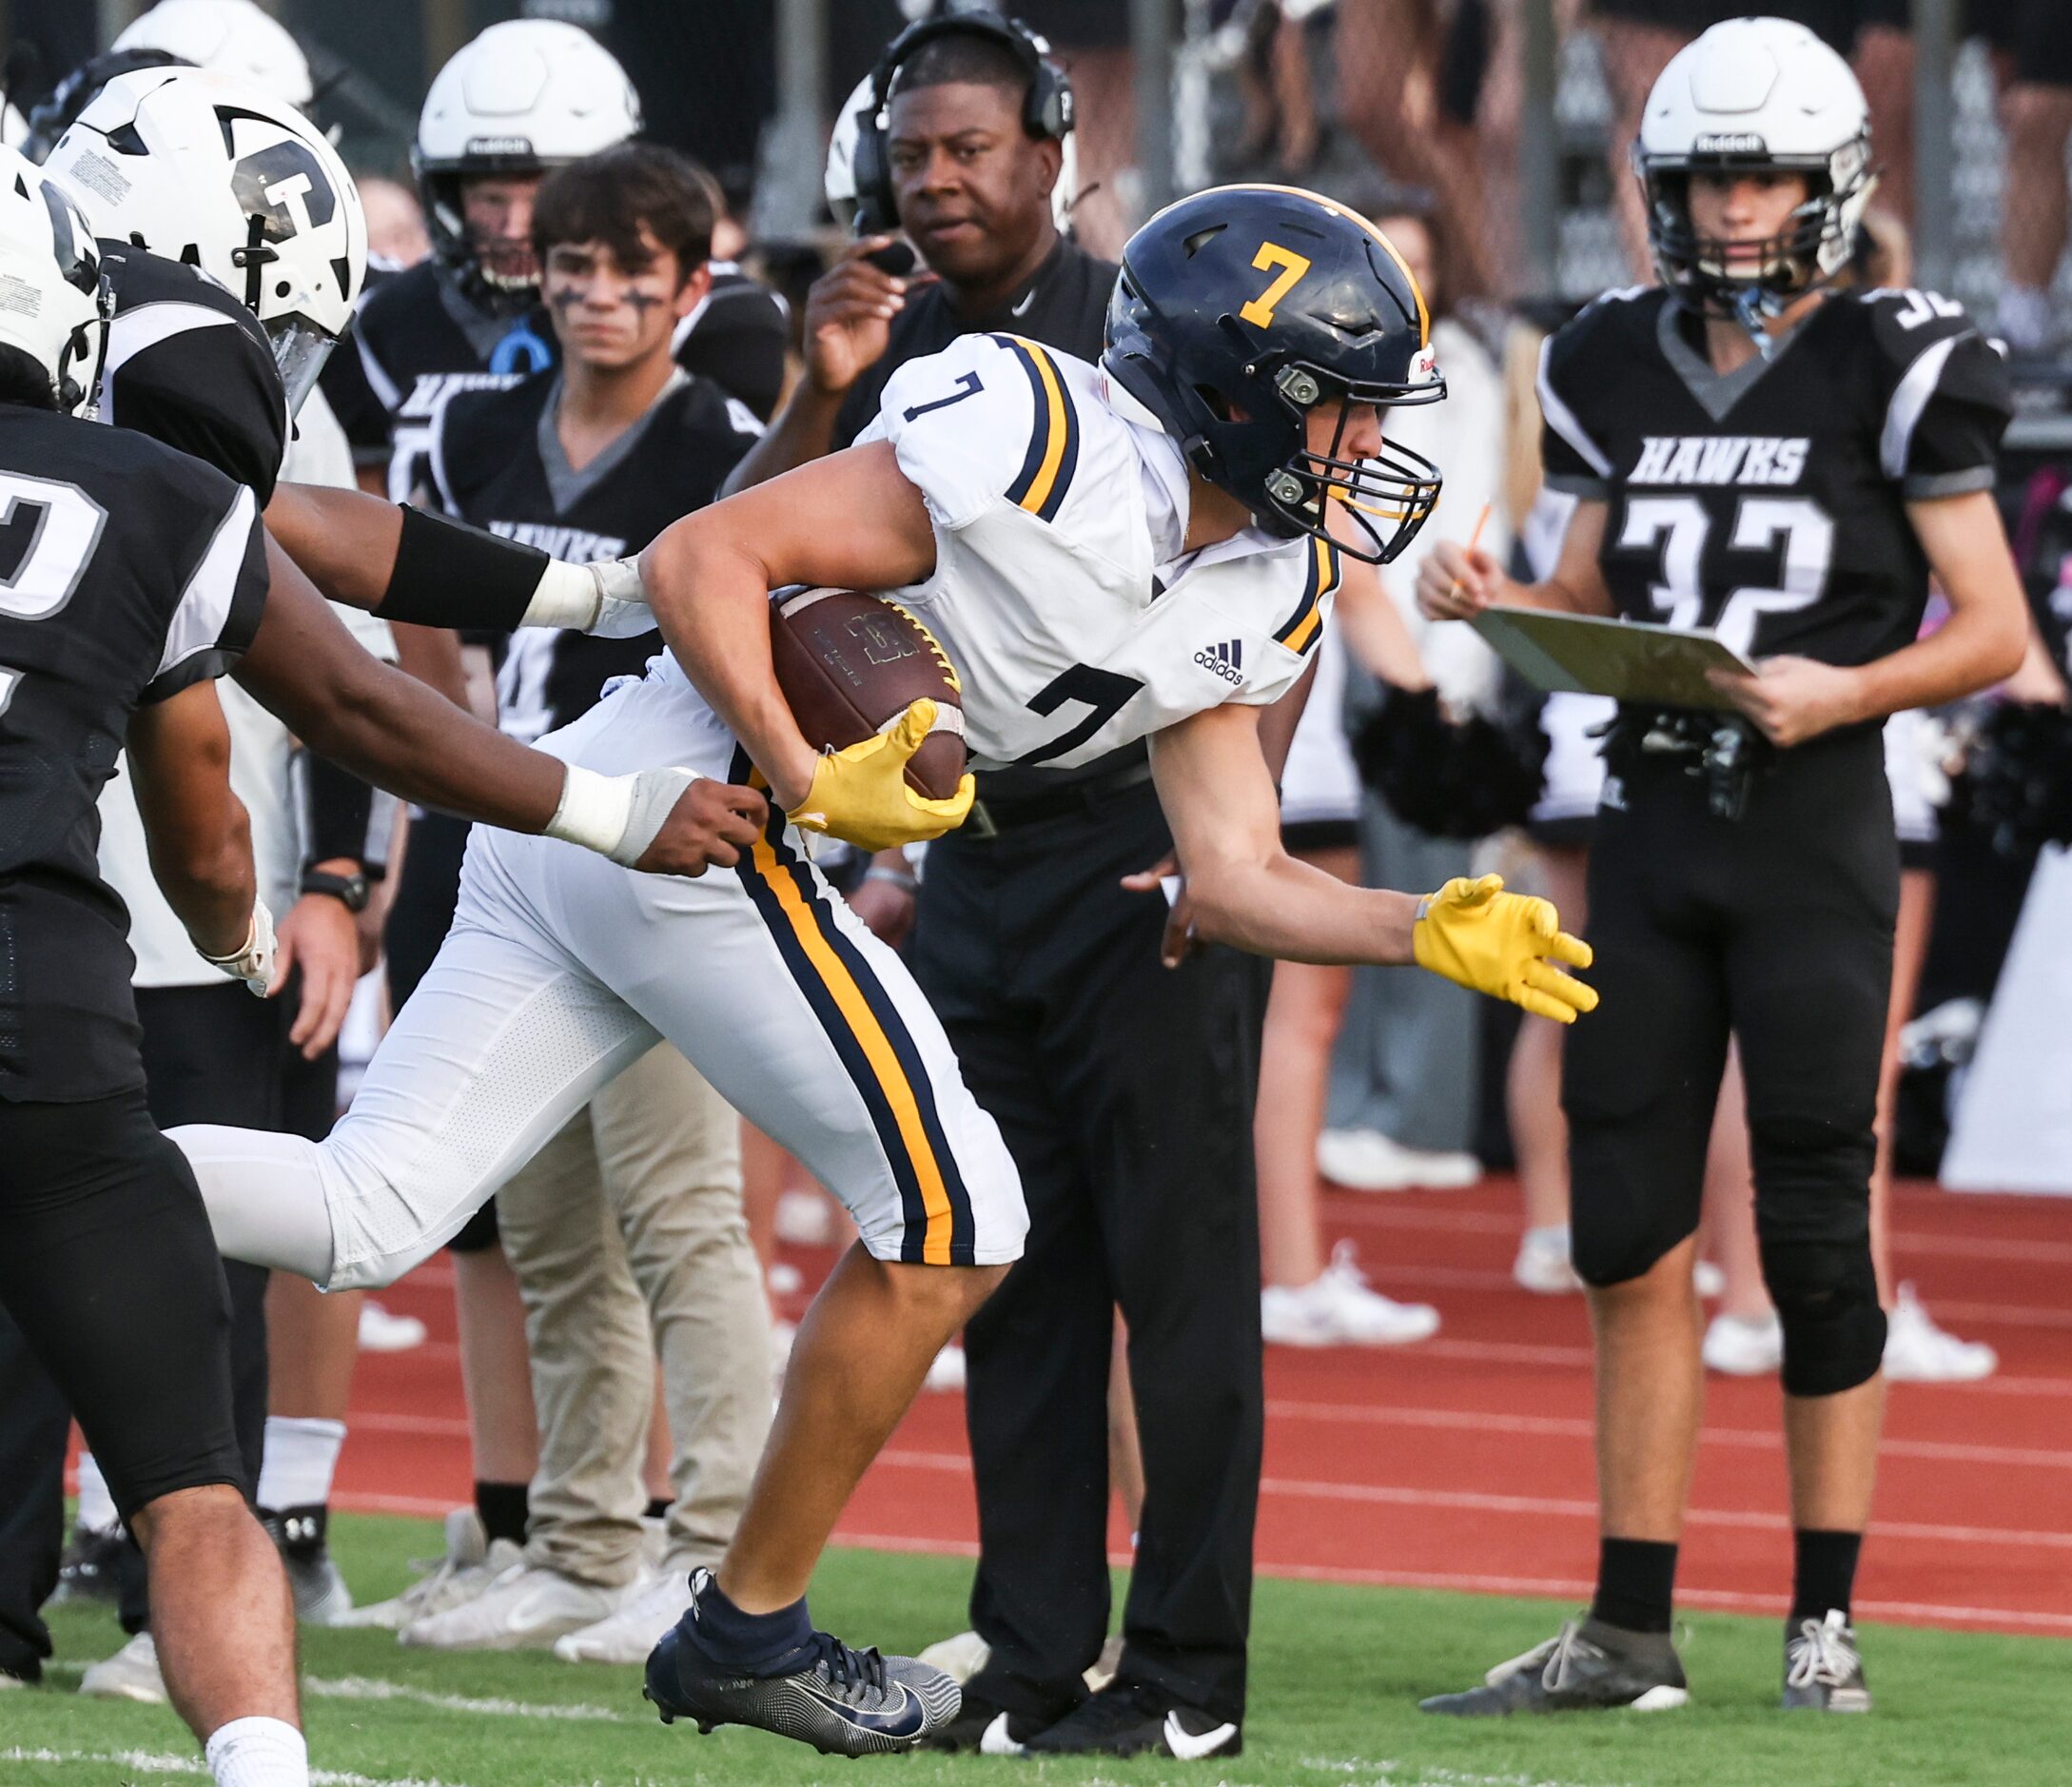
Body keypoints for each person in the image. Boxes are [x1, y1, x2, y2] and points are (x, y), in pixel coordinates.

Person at [171, 180, 1598, 1759]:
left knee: (368, 1212)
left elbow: (1234, 870)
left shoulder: (1270, 576)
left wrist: (1421, 924)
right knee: (960, 1213)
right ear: (1233, 394)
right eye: (1335, 407)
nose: (1361, 447)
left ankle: (64, 1166)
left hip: (612, 829)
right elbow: (712, 554)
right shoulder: (1037, 433)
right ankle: (747, 1628)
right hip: (698, 808)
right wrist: (801, 761)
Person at [1416, 17, 2023, 1716]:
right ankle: (1625, 1624)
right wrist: (1503, 603)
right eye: (1701, 176)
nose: (1733, 207)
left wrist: (1851, 685)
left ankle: (1823, 1612)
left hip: (1814, 825)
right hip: (1652, 817)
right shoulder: (1604, 354)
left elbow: (1989, 629)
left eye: (1758, 173)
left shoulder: (1900, 355)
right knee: (1625, 1226)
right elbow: (1594, 589)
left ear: (1828, 181)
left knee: (1818, 1224)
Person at [394, 144, 775, 1665]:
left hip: (668, 855)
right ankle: (580, 1537)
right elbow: (416, 598)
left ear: (694, 287)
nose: (601, 296)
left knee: (681, 1212)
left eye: (636, 272)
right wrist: (479, 755)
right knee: (549, 1226)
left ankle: (719, 1547)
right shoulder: (469, 415)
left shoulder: (729, 440)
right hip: (522, 849)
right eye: (577, 266)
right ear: (533, 274)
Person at [0, 148, 305, 1783]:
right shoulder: (156, 491)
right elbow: (203, 823)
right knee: (188, 1480)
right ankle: (259, 1766)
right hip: (50, 1011)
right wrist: (243, 940)